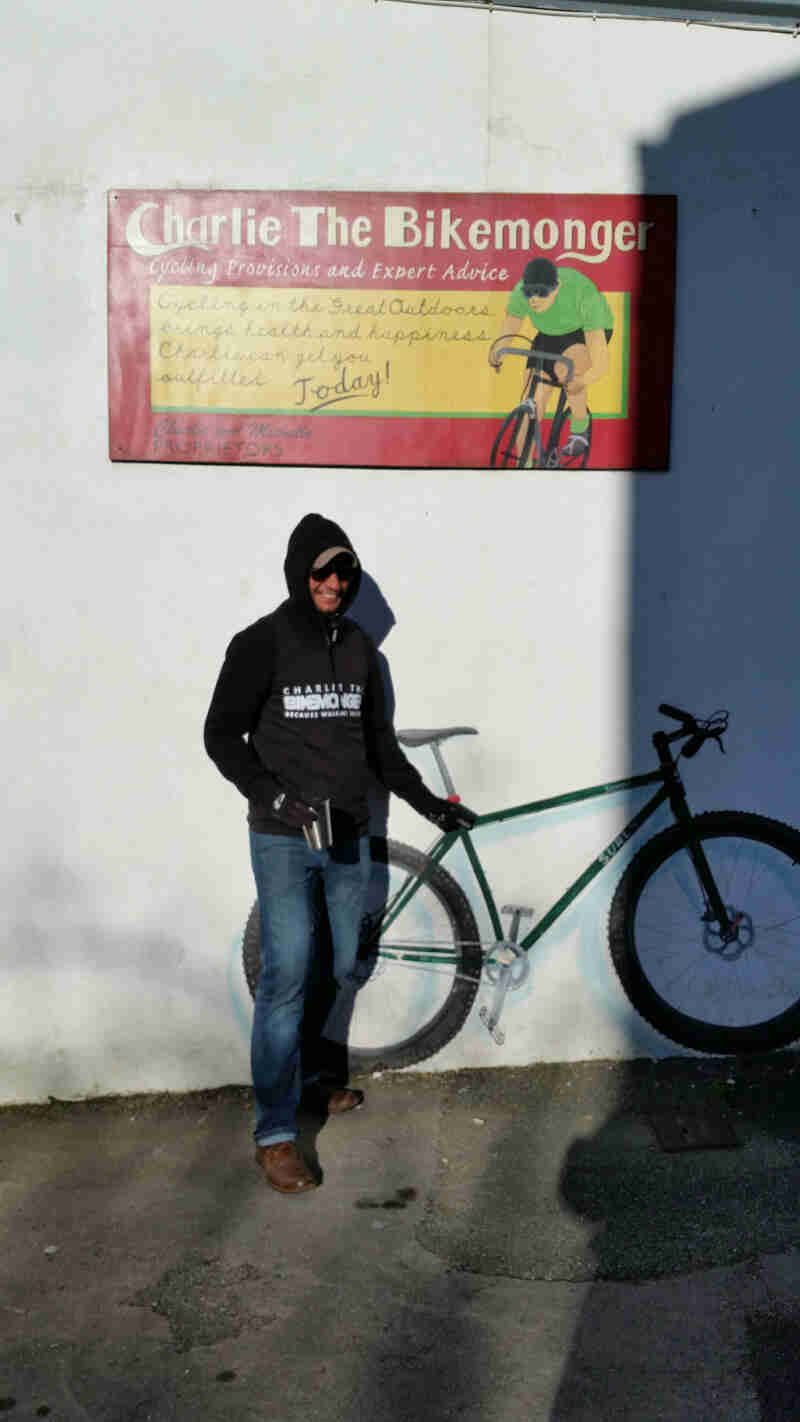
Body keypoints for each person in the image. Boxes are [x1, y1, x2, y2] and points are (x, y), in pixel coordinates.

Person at [204, 513, 477, 1195]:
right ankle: (274, 1133)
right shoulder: (260, 644)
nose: (333, 582)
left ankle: (315, 1079)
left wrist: (430, 805)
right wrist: (271, 798)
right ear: (300, 572)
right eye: (322, 570)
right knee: (289, 971)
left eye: (344, 571)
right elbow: (220, 736)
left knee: (346, 960)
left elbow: (381, 748)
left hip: (350, 834)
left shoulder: (360, 651)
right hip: (284, 839)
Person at [489, 256, 614, 464]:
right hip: (548, 334)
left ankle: (579, 429)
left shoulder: (583, 293)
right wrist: (498, 351)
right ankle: (524, 466)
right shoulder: (523, 290)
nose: (533, 300)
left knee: (567, 372)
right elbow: (511, 325)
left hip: (584, 331)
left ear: (556, 288)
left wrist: (582, 381)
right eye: (530, 293)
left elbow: (601, 361)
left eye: (541, 293)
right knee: (532, 403)